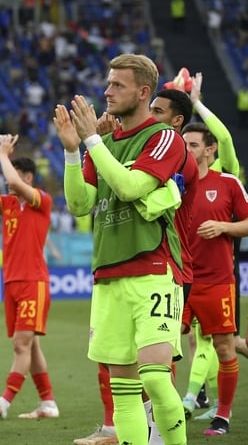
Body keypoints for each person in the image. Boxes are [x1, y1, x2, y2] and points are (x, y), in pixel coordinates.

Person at [54, 54, 188, 445]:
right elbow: (80, 204)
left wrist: (92, 140)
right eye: (108, 83)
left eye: (118, 85)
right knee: (123, 391)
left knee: (154, 377)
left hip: (152, 272)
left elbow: (131, 188)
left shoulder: (163, 137)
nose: (107, 91)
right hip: (108, 276)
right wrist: (71, 150)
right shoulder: (105, 143)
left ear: (143, 92)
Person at [0, 134, 60, 421]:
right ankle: (48, 403)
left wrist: (6, 157)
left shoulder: (40, 201)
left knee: (21, 344)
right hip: (12, 283)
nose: (9, 180)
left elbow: (17, 184)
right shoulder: (7, 203)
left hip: (34, 281)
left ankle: (4, 402)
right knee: (31, 346)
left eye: (15, 175)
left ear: (28, 177)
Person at [179, 122, 248, 436]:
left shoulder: (228, 183)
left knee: (224, 348)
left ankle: (222, 416)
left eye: (193, 145)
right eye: (184, 145)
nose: (187, 150)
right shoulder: (171, 184)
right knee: (163, 347)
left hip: (218, 281)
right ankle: (167, 412)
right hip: (178, 279)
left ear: (210, 150)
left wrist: (224, 228)